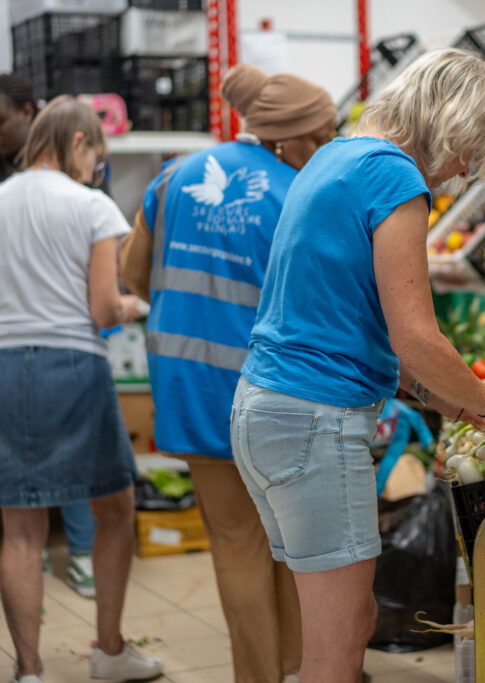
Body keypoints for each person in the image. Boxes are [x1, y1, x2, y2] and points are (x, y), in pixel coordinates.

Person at [230, 48, 485, 683]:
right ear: (451, 122)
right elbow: (417, 337)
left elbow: (345, 317)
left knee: (345, 619)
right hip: (314, 423)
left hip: (267, 413)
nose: (458, 174)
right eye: (467, 152)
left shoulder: (335, 158)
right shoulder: (394, 175)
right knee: (338, 645)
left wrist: (439, 396)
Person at [119, 63, 336, 683]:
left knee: (237, 544)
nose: (321, 149)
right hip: (278, 391)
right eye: (317, 137)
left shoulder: (173, 177)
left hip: (191, 386)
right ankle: (300, 668)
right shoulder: (299, 192)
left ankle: (261, 675)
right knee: (294, 544)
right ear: (280, 137)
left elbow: (138, 278)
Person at [0, 96, 163, 683]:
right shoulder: (92, 206)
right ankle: (109, 650)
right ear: (79, 143)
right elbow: (102, 309)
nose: (96, 168)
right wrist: (130, 304)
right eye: (96, 155)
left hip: (1, 367)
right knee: (114, 509)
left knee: (21, 530)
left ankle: (28, 671)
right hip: (72, 364)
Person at [0, 73, 98, 599]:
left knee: (70, 448)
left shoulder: (78, 173)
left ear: (29, 111)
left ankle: (81, 555)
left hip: (49, 333)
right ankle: (26, 558)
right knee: (23, 452)